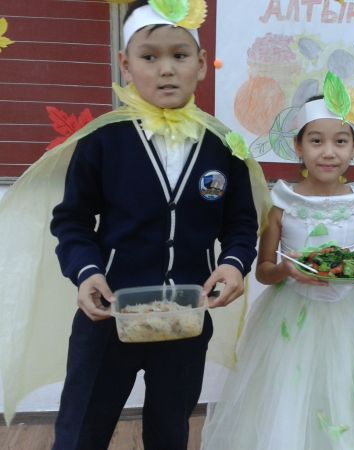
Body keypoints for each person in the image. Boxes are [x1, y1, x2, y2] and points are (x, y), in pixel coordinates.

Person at [44, 1, 269, 448]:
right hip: (108, 315)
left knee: (170, 429)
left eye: (179, 55)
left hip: (186, 319)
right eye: (149, 56)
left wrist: (234, 263)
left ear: (201, 64)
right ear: (126, 65)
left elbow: (241, 222)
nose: (166, 69)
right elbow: (72, 220)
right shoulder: (101, 140)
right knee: (82, 430)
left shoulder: (225, 146)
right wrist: (86, 272)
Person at [201, 72, 354, 450]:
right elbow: (264, 271)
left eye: (340, 141)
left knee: (344, 397)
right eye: (316, 141)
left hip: (349, 317)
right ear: (298, 146)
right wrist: (287, 269)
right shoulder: (281, 201)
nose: (328, 152)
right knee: (289, 398)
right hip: (290, 317)